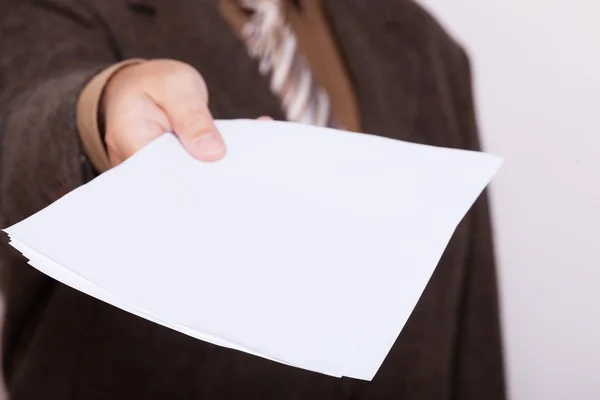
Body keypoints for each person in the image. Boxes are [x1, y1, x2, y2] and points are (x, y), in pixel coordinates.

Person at [0, 0, 506, 399]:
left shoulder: (426, 45)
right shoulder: (53, 9)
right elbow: (21, 124)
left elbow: (467, 308)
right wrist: (104, 102)